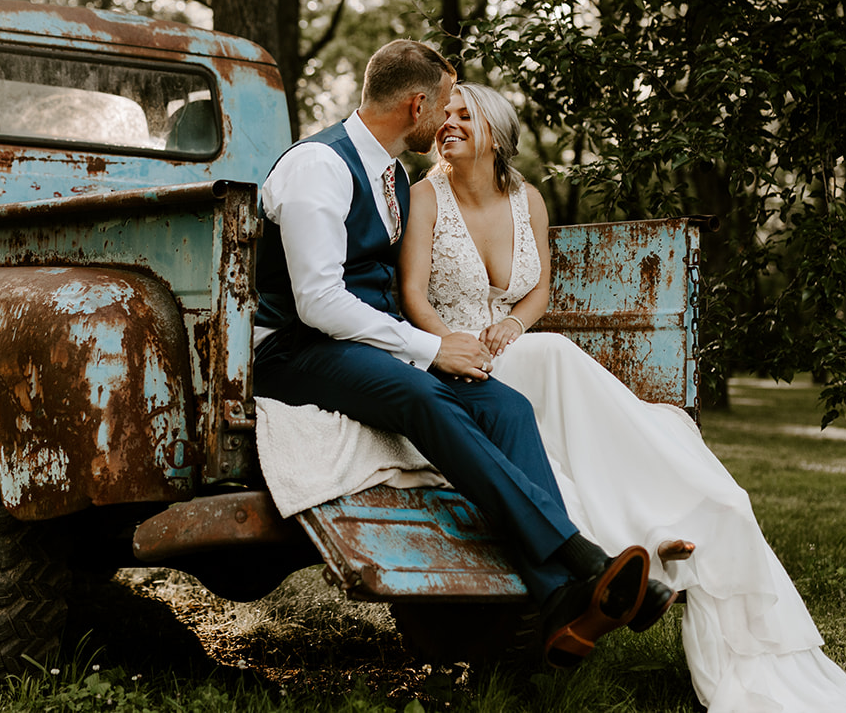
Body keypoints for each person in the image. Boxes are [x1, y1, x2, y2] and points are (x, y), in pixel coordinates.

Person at [398, 81, 846, 712]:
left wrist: (512, 325)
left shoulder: (527, 200)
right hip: (453, 359)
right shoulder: (424, 197)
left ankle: (666, 521)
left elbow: (536, 292)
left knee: (570, 370)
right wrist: (451, 344)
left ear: (497, 134)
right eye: (445, 115)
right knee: (562, 360)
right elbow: (411, 295)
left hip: (514, 348)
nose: (448, 123)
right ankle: (638, 537)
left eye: (464, 115)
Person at [251, 41, 675, 668]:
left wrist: (429, 345)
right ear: (417, 103)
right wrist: (430, 347)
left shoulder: (393, 173)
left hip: (368, 344)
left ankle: (562, 601)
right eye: (445, 105)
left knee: (506, 408)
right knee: (426, 396)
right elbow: (318, 302)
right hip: (297, 348)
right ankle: (581, 561)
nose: (448, 118)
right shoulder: (320, 166)